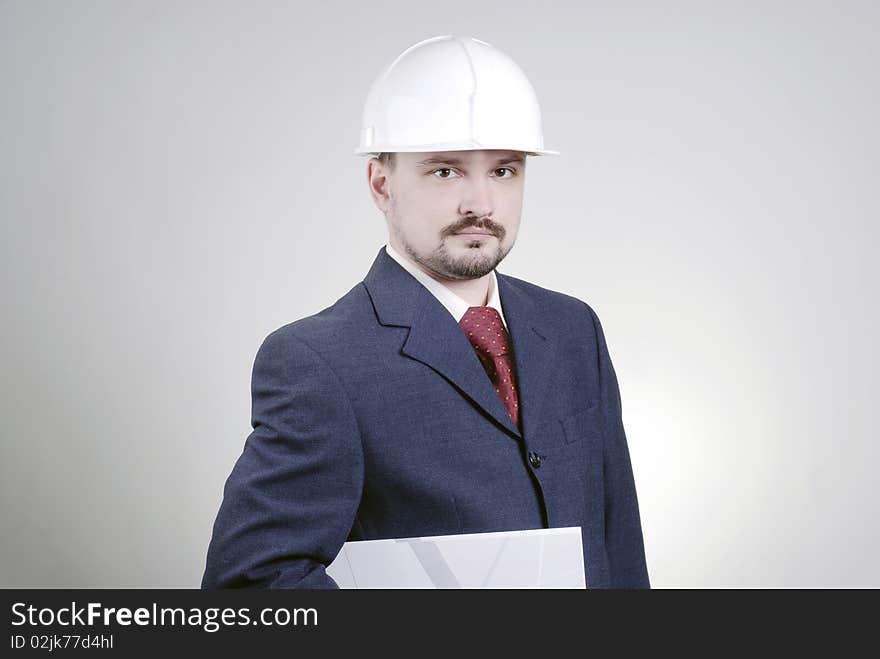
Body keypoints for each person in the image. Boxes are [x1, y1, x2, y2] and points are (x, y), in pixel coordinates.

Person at [202, 34, 650, 589]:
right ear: (381, 184)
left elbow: (619, 547)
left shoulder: (572, 328)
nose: (480, 204)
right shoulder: (319, 362)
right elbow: (250, 585)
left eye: (504, 171)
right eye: (446, 171)